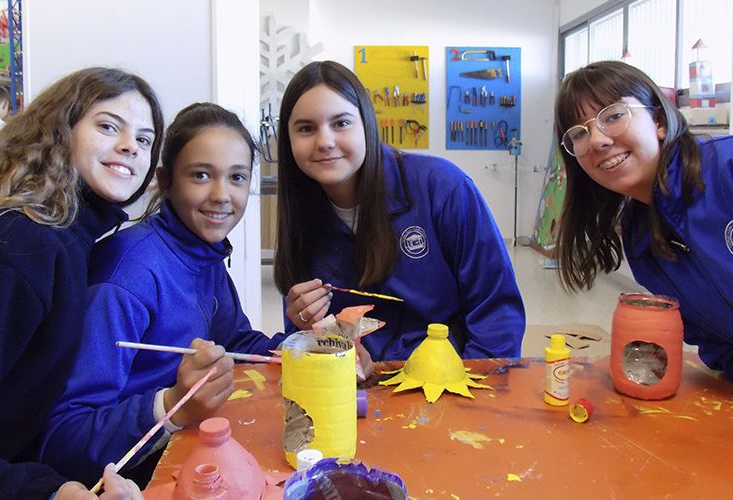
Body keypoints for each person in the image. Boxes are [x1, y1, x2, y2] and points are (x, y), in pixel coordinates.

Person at [0, 67, 165, 499]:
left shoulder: (64, 235)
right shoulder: (15, 249)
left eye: (145, 139)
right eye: (108, 126)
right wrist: (52, 493)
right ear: (60, 129)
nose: (131, 146)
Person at [41, 103, 286, 486]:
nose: (222, 195)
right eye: (201, 175)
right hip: (127, 478)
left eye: (237, 177)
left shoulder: (203, 250)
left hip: (188, 453)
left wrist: (309, 349)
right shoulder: (125, 280)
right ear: (166, 181)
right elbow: (61, 438)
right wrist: (170, 405)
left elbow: (238, 343)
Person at [273, 60, 525, 361]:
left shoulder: (441, 187)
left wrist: (472, 391)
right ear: (288, 140)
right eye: (305, 128)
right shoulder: (300, 214)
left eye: (341, 123)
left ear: (367, 123)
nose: (325, 142)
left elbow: (496, 311)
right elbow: (310, 343)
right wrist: (305, 327)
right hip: (358, 392)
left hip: (451, 382)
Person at [554, 60, 733, 378]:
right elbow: (717, 343)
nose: (597, 140)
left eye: (613, 116)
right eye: (579, 133)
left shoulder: (726, 169)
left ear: (659, 120)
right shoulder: (641, 240)